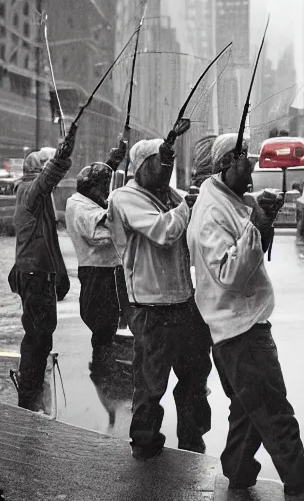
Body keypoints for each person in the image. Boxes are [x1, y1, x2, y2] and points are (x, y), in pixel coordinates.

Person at [187, 133, 304, 498]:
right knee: (274, 412)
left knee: (247, 411)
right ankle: (297, 484)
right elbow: (230, 273)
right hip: (240, 331)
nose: (253, 169)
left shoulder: (229, 200)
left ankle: (239, 477)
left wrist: (262, 219)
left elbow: (247, 249)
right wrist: (257, 225)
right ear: (226, 164)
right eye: (245, 163)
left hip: (238, 329)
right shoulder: (212, 211)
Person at [107, 136, 212, 460]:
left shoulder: (172, 196)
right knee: (151, 383)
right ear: (141, 166)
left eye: (169, 162)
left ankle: (193, 442)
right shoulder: (124, 198)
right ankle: (145, 442)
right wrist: (187, 207)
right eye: (159, 162)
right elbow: (164, 232)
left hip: (184, 302)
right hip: (151, 308)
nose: (166, 169)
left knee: (196, 377)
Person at [8, 125, 77, 412]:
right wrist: (64, 153)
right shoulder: (30, 191)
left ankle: (30, 393)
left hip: (34, 272)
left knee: (39, 335)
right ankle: (29, 398)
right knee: (38, 337)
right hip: (35, 275)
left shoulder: (32, 195)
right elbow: (48, 178)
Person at [65, 143, 126, 375]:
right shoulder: (79, 206)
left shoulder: (88, 198)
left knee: (110, 323)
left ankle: (105, 363)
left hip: (109, 271)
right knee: (103, 324)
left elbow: (99, 190)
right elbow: (99, 235)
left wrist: (112, 162)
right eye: (103, 186)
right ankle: (103, 369)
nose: (106, 191)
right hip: (97, 272)